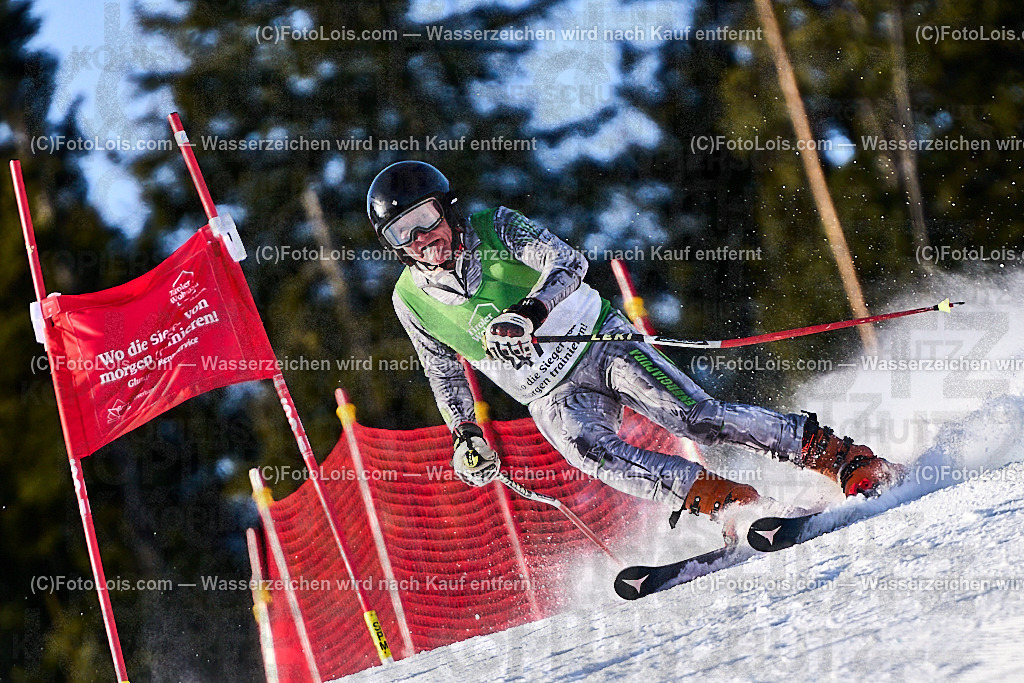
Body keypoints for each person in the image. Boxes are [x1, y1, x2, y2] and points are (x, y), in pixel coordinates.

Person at [368, 160, 904, 524]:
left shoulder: (494, 226)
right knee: (592, 454)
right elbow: (440, 370)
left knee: (692, 417)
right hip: (547, 393)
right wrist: (464, 434)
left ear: (447, 209)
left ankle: (838, 456)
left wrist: (530, 310)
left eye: (425, 219)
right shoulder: (410, 300)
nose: (421, 239)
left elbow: (569, 261)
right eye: (402, 233)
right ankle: (729, 502)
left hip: (599, 342)